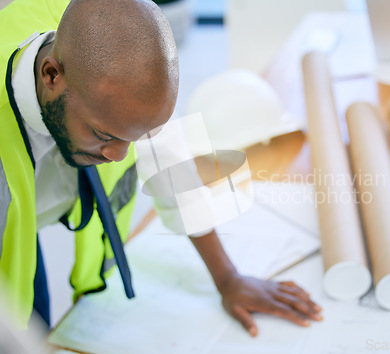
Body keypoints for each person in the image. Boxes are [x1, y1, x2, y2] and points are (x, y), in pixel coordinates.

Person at [0, 0, 322, 337]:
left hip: (21, 224)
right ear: (51, 75)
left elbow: (175, 169)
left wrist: (228, 278)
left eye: (138, 136)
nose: (119, 156)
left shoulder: (117, 73)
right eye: (103, 135)